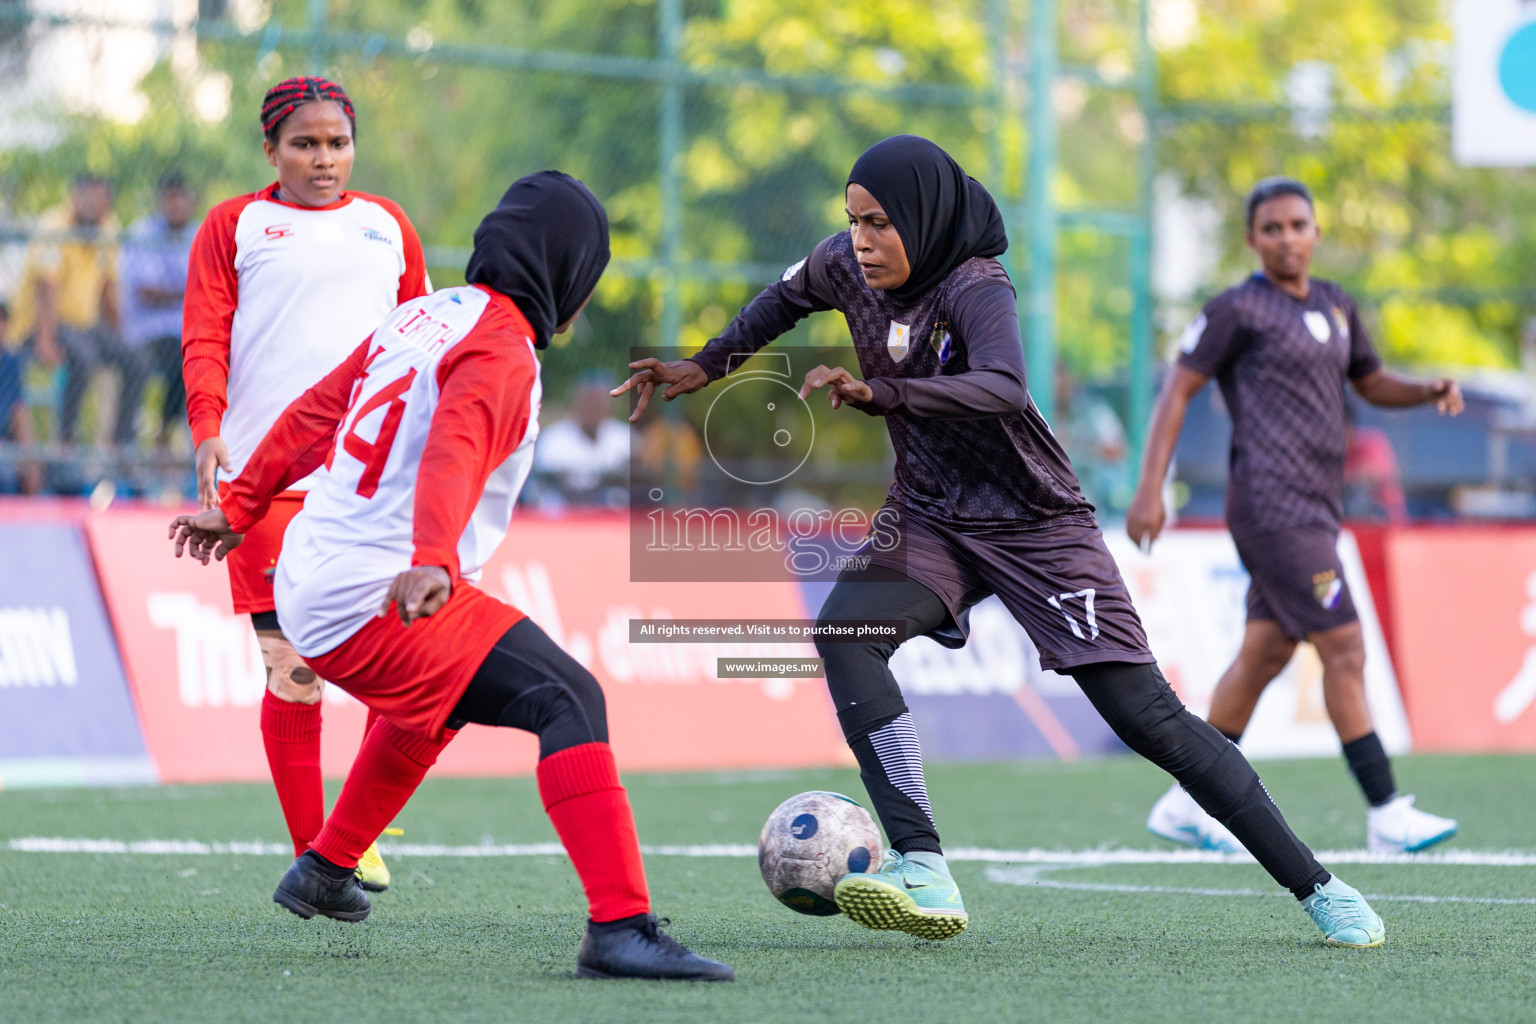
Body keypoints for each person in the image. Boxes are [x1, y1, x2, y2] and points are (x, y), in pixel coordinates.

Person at [615, 136, 1387, 949]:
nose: (862, 241)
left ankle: (1318, 886)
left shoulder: (975, 284)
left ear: (922, 217)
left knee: (1148, 719)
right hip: (933, 512)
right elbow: (783, 300)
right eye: (852, 222)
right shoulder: (844, 263)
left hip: (1035, 524)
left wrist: (885, 393)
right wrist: (707, 364)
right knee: (846, 634)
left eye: (879, 223)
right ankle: (924, 865)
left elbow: (1003, 385)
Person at [169, 172, 733, 982]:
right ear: (564, 274)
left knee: (440, 702)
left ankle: (326, 868)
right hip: (373, 590)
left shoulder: (423, 315)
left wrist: (244, 504)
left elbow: (317, 410)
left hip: (314, 568)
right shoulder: (503, 348)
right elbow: (455, 447)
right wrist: (432, 560)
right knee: (570, 699)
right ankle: (621, 926)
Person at [1127, 177, 1463, 855]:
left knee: (1264, 654)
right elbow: (1178, 391)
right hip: (1272, 510)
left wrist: (1424, 389)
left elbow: (1370, 381)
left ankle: (1184, 803)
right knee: (1345, 647)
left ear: (1316, 232)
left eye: (1298, 225)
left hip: (1317, 507)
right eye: (1272, 228)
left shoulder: (1337, 305)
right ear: (1253, 239)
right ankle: (1387, 811)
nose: (1286, 238)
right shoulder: (1234, 310)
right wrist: (1150, 485)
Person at [181, 76, 430, 891]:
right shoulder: (235, 225)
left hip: (370, 483)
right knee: (293, 670)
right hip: (264, 483)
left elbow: (423, 342)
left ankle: (358, 813)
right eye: (305, 144)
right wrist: (209, 427)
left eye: (338, 143)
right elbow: (204, 333)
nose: (325, 160)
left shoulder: (388, 226)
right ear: (271, 151)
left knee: (409, 656)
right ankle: (325, 854)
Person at [9, 174, 121, 444]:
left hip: (83, 327)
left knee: (136, 361)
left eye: (99, 200)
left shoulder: (107, 229)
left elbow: (108, 288)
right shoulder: (54, 225)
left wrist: (118, 334)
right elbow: (46, 287)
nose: (92, 206)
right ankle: (64, 443)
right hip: (41, 324)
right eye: (87, 199)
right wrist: (45, 339)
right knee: (84, 357)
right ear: (73, 198)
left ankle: (120, 445)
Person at [118, 172, 198, 451]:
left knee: (202, 357)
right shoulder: (143, 233)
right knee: (179, 357)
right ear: (161, 202)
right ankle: (148, 438)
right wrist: (189, 292)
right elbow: (147, 291)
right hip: (148, 332)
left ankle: (185, 439)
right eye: (170, 199)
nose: (176, 205)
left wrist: (180, 292)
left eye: (181, 198)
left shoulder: (199, 234)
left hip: (189, 330)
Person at [532, 377, 630, 506]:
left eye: (598, 403)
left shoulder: (624, 436)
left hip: (612, 515)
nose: (592, 409)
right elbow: (545, 482)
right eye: (587, 402)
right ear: (575, 404)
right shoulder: (553, 439)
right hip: (563, 515)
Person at [0, 302, 43, 494]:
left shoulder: (10, 363)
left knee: (23, 473)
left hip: (5, 445)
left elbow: (20, 414)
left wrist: (29, 460)